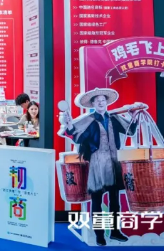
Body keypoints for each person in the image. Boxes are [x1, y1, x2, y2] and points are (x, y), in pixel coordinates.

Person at [60, 88, 141, 247]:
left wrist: (133, 117)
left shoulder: (114, 118)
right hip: (97, 162)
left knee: (115, 201)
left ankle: (115, 231)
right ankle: (99, 235)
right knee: (97, 201)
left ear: (106, 102)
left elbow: (130, 130)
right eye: (97, 101)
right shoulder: (88, 120)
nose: (101, 102)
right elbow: (77, 137)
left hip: (114, 161)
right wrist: (69, 124)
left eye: (103, 100)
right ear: (93, 104)